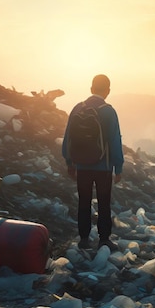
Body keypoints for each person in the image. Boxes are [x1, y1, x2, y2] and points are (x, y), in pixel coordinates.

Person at [62, 74, 124, 250]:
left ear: (91, 89)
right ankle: (104, 239)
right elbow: (114, 141)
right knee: (104, 202)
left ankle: (84, 239)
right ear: (108, 91)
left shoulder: (78, 108)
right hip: (103, 167)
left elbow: (68, 137)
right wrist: (118, 167)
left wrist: (69, 162)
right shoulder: (109, 111)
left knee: (84, 201)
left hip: (81, 165)